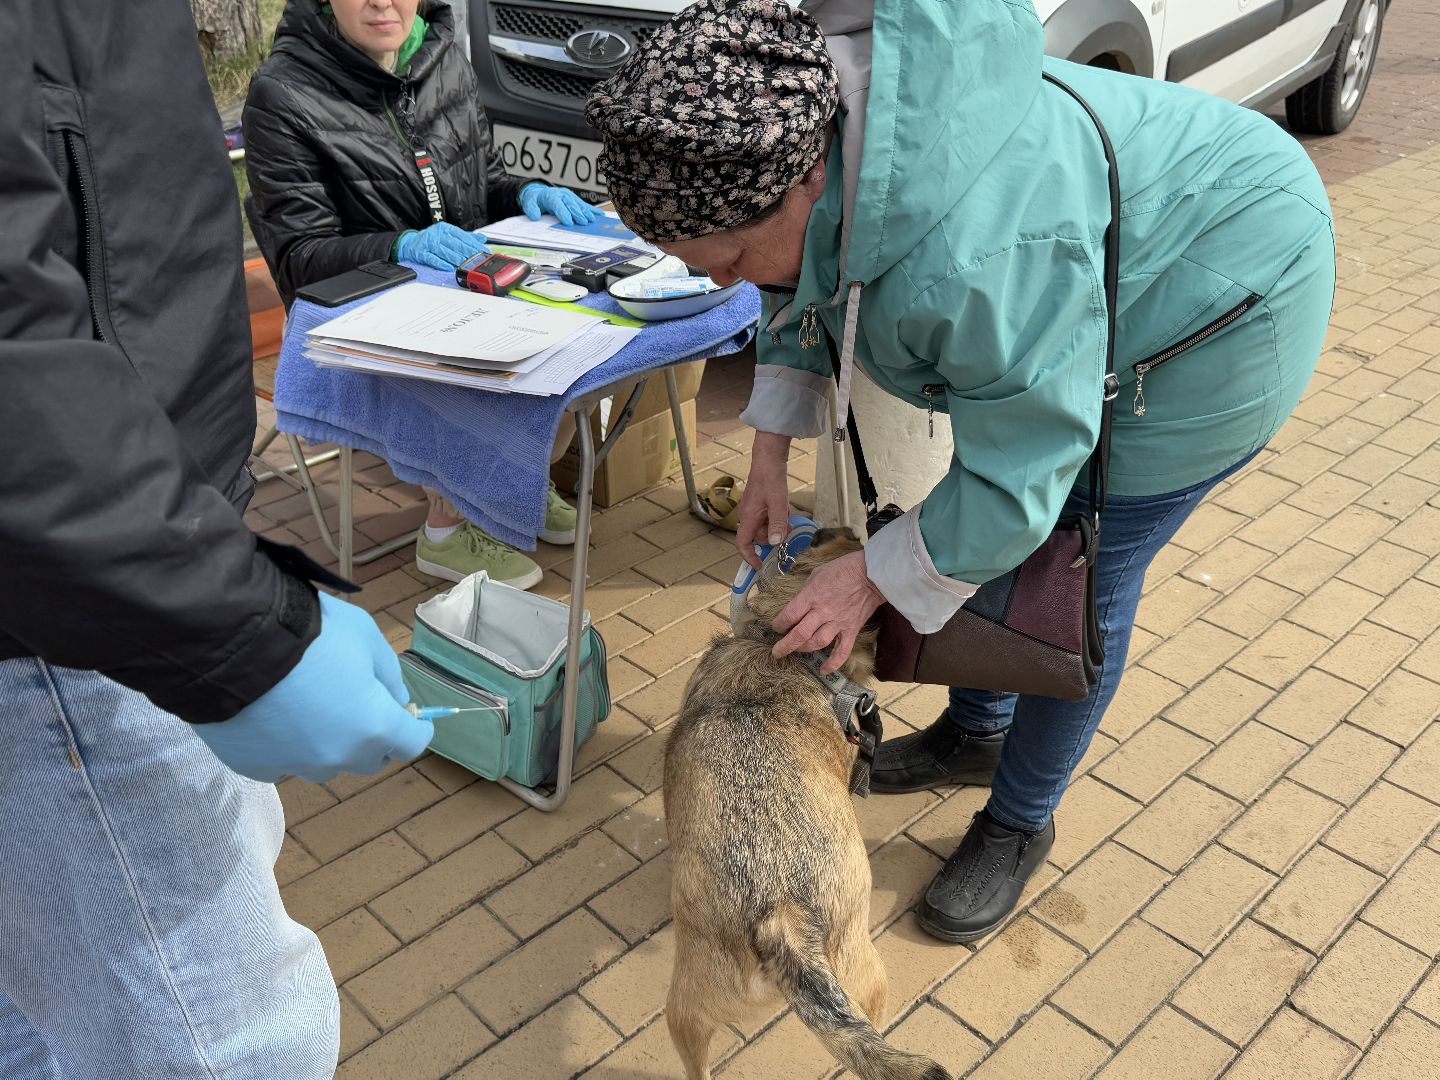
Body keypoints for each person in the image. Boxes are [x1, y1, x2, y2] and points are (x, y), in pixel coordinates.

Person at [587, 0, 1334, 944]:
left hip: (1220, 302)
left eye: (729, 257)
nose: (730, 281)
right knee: (976, 533)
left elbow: (1022, 469)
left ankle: (1018, 822)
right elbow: (794, 281)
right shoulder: (809, 145)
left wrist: (868, 575)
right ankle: (974, 732)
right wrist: (771, 446)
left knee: (1077, 580)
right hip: (1069, 292)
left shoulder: (972, 256)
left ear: (806, 180)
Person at [1, 1, 439, 1075]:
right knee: (224, 1041)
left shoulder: (439, 75)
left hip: (129, 541)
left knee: (50, 1008)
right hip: (75, 615)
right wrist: (229, 622)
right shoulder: (292, 88)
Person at [244, 0, 600, 587]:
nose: (383, 2)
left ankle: (511, 482)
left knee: (579, 351)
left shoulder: (444, 58)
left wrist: (527, 192)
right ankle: (448, 527)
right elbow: (301, 260)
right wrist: (400, 244)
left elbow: (481, 185)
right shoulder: (282, 94)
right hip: (360, 314)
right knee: (494, 377)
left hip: (461, 293)